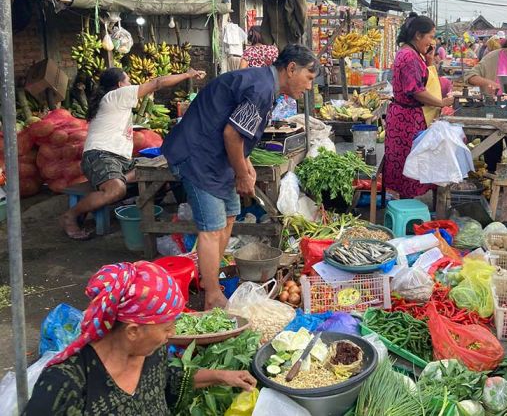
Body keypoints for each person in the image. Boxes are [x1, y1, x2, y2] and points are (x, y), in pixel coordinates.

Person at [162, 45, 317, 309]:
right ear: (291, 69)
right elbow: (232, 135)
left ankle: (210, 277)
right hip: (198, 156)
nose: (309, 86)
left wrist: (245, 162)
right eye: (309, 78)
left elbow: (236, 129)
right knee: (211, 229)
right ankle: (211, 294)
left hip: (216, 158)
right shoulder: (260, 88)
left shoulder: (264, 84)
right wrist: (243, 173)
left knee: (230, 215)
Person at [25, 261, 256, 415]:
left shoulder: (150, 353)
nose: (172, 334)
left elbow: (167, 380)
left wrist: (222, 376)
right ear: (133, 331)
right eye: (166, 328)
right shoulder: (66, 383)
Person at [60, 67, 205, 239]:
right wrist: (188, 75)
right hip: (100, 156)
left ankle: (139, 205)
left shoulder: (114, 100)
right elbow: (157, 83)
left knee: (160, 170)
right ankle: (71, 215)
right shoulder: (115, 95)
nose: (131, 84)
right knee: (116, 190)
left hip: (121, 160)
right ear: (120, 84)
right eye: (128, 80)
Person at [384, 13, 454, 198]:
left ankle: (407, 203)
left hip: (408, 117)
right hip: (406, 120)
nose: (433, 42)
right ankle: (406, 206)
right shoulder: (409, 56)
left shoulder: (414, 54)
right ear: (417, 35)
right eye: (430, 36)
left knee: (412, 163)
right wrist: (441, 102)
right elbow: (415, 90)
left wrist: (429, 61)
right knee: (409, 165)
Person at [465, 27, 507, 172]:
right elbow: (469, 76)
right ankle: (492, 183)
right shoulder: (493, 57)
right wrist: (486, 83)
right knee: (492, 155)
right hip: (493, 110)